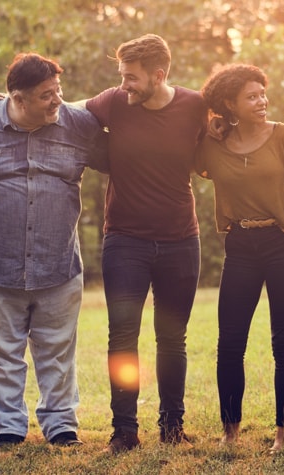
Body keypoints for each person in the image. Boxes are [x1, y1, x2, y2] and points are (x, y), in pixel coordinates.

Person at [0, 53, 105, 448]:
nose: (57, 101)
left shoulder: (79, 124)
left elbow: (124, 153)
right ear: (17, 97)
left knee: (57, 352)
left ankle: (61, 424)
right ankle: (9, 427)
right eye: (46, 95)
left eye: (58, 91)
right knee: (2, 355)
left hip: (58, 263)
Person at [85, 34, 207, 453]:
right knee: (122, 337)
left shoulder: (194, 106)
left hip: (180, 240)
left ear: (159, 75)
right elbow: (64, 115)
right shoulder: (114, 102)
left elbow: (220, 142)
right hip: (125, 242)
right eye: (122, 76)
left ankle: (172, 426)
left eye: (132, 78)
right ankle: (124, 430)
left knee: (173, 338)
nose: (125, 85)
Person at [196, 64, 284, 453]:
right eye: (251, 96)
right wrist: (209, 121)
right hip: (240, 244)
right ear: (230, 103)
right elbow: (182, 123)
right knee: (229, 341)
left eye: (263, 94)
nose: (262, 101)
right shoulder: (211, 143)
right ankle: (230, 428)